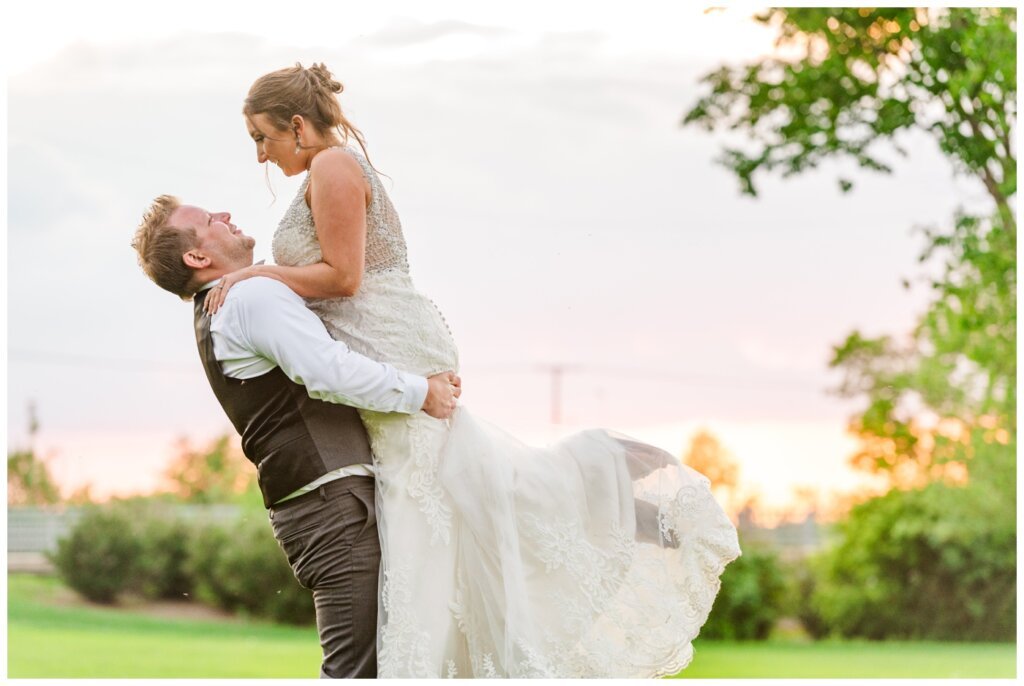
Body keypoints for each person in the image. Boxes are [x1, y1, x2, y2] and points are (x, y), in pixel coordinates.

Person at [209, 62, 741, 678]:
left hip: (393, 343)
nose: (259, 155)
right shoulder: (324, 170)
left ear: (297, 125)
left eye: (261, 137)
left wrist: (259, 273)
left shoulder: (332, 165)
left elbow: (345, 277)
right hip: (385, 343)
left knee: (444, 496)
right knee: (460, 493)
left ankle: (612, 487)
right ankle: (613, 510)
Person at [131, 196, 461, 678]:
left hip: (325, 504)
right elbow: (328, 371)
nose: (223, 214)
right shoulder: (246, 299)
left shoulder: (229, 303)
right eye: (208, 221)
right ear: (197, 258)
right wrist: (422, 392)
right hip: (333, 506)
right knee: (356, 671)